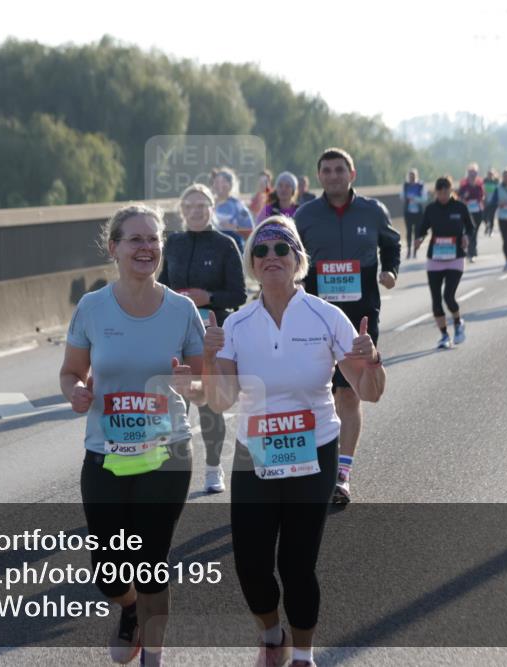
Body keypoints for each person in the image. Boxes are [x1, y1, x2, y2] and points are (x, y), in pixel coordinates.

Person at [203, 216, 385, 667]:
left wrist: (372, 360)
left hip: (314, 448)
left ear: (297, 258)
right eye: (260, 251)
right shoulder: (238, 324)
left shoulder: (327, 316)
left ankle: (302, 653)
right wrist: (209, 361)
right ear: (251, 264)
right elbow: (221, 400)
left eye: (281, 248)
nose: (271, 258)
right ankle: (271, 634)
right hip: (256, 452)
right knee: (250, 563)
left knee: (298, 564)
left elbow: (371, 392)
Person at [60, 203, 205, 667]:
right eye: (136, 239)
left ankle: (153, 657)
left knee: (150, 556)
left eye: (153, 239)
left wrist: (192, 385)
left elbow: (205, 386)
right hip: (105, 451)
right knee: (108, 567)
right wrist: (76, 394)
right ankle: (128, 611)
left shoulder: (182, 310)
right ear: (114, 247)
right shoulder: (92, 307)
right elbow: (70, 372)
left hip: (167, 452)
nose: (146, 248)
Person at [294, 147, 400, 505]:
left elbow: (392, 242)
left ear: (352, 174)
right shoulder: (305, 215)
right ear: (319, 176)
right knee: (309, 392)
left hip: (360, 318)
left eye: (340, 170)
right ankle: (309, 465)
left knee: (348, 394)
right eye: (327, 170)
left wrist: (390, 270)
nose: (334, 175)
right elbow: (291, 257)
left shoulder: (372, 211)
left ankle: (342, 474)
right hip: (312, 317)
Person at [159, 184, 246, 493]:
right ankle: (172, 468)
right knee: (175, 402)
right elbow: (161, 286)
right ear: (182, 212)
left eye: (202, 205)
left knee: (209, 404)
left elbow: (238, 294)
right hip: (177, 332)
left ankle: (213, 468)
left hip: (212, 332)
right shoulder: (174, 244)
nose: (196, 211)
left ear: (212, 209)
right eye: (190, 206)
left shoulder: (225, 245)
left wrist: (207, 296)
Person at [414, 176, 474, 348]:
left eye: (446, 192)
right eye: (440, 192)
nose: (443, 195)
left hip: (455, 257)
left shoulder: (460, 207)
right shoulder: (431, 209)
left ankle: (457, 322)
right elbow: (423, 227)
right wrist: (419, 238)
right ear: (436, 192)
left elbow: (470, 226)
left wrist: (466, 237)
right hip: (436, 258)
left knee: (448, 296)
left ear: (451, 190)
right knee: (435, 300)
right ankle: (444, 336)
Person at [211, 167, 254, 250]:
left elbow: (250, 230)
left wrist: (235, 228)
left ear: (230, 185)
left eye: (223, 181)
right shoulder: (207, 204)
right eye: (217, 182)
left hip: (233, 249)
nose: (220, 185)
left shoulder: (238, 205)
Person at [457, 163, 485, 262]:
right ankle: (469, 251)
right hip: (466, 212)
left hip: (477, 211)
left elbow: (482, 196)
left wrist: (479, 200)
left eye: (474, 173)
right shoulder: (464, 184)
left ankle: (472, 251)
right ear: (468, 173)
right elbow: (459, 196)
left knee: (475, 232)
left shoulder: (479, 184)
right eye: (471, 173)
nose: (473, 175)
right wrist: (464, 197)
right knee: (468, 232)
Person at [402, 169, 427, 258]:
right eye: (410, 176)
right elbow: (401, 196)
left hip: (418, 212)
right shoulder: (405, 185)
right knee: (409, 231)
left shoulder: (420, 185)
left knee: (417, 232)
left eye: (413, 176)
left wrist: (415, 199)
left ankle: (415, 251)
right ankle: (408, 251)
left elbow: (424, 198)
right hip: (408, 212)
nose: (412, 178)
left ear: (416, 176)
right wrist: (407, 198)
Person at [482, 168, 499, 236]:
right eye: (489, 174)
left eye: (491, 174)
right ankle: (487, 225)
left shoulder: (496, 181)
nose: (490, 175)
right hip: (485, 201)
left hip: (493, 202)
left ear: (494, 175)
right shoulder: (484, 181)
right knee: (483, 216)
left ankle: (491, 230)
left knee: (491, 217)